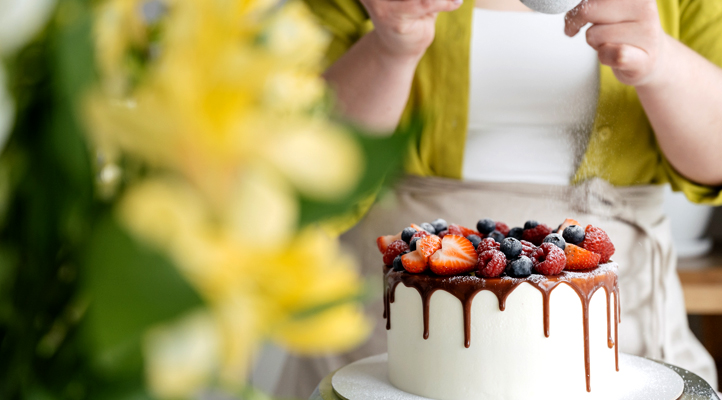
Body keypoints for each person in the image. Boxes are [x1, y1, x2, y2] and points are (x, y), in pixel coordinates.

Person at [276, 0, 722, 396]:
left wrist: (661, 60)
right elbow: (303, 177)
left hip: (625, 349)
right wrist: (391, 47)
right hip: (380, 343)